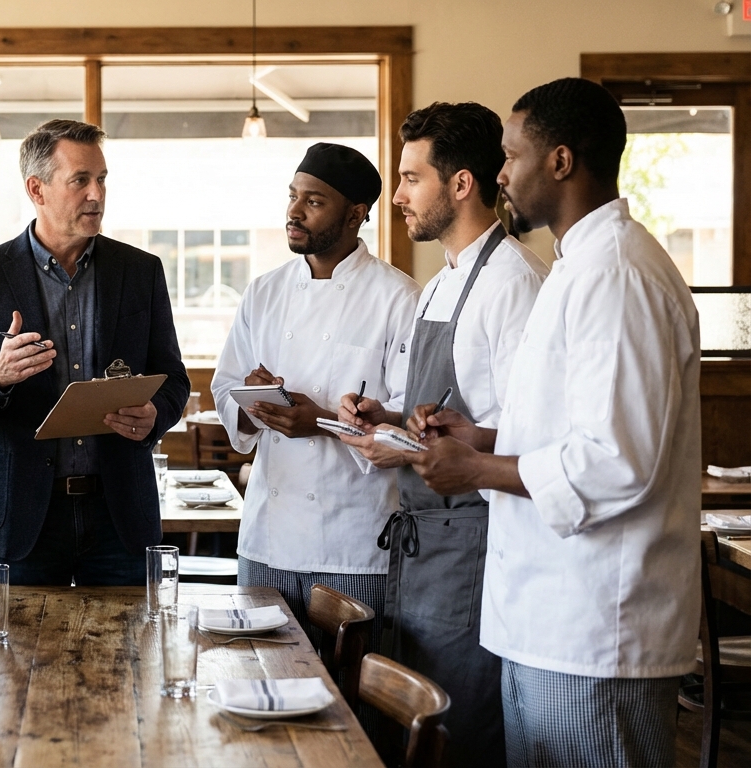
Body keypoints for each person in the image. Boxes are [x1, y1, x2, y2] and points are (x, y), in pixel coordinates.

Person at [406, 78, 701, 767]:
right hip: (548, 617)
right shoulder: (579, 266)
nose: (501, 173)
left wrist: (476, 469)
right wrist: (477, 435)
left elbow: (616, 460)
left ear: (561, 162)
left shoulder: (619, 274)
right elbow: (564, 425)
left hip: (597, 627)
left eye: (512, 156)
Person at [334, 102, 548, 767]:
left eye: (410, 178)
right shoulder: (438, 283)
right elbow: (434, 411)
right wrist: (387, 420)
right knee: (419, 725)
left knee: (463, 728)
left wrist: (427, 440)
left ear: (460, 184)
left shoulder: (514, 284)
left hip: (474, 550)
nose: (396, 196)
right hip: (420, 545)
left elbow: (529, 435)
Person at [0, 119, 190, 586]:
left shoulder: (140, 272)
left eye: (102, 179)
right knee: (15, 659)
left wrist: (156, 413)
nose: (97, 194)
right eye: (80, 181)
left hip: (121, 517)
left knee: (131, 657)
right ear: (37, 189)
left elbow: (174, 378)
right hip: (21, 518)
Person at [210, 143, 419, 644]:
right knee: (258, 681)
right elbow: (223, 386)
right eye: (292, 196)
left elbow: (409, 426)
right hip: (266, 538)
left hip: (354, 544)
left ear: (355, 214)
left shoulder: (399, 297)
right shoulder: (263, 291)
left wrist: (320, 419)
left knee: (353, 706)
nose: (293, 212)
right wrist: (254, 402)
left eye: (314, 201)